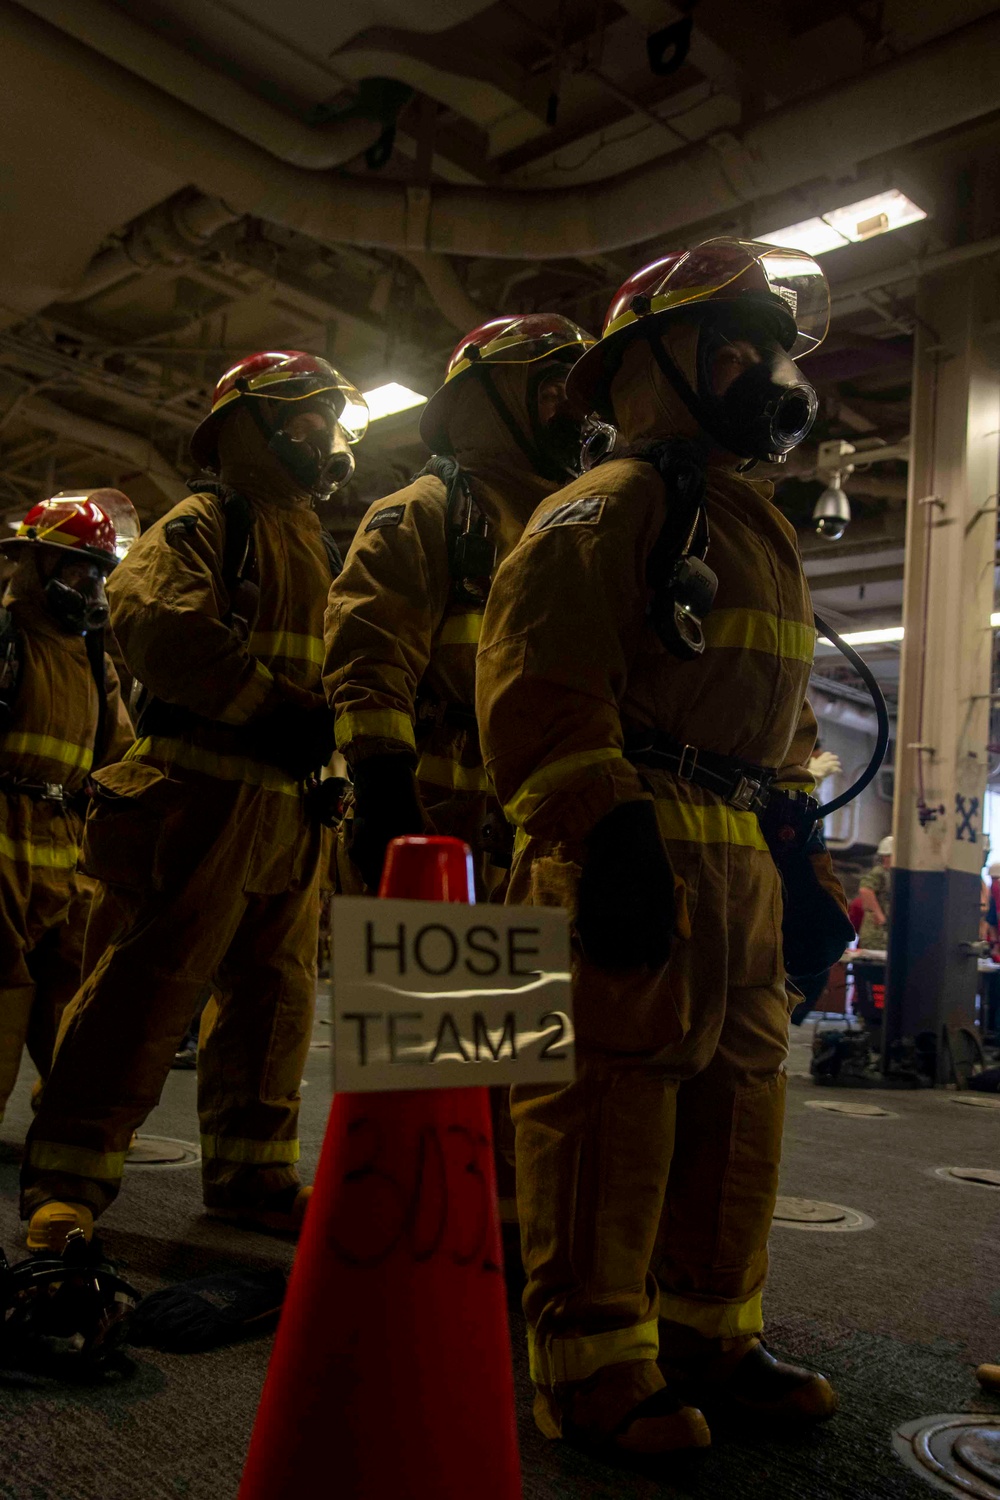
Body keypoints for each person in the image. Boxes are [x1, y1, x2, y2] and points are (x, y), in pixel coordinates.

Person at [477, 239, 850, 1458]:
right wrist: (603, 830)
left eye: (768, 351)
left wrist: (798, 852)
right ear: (651, 367)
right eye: (730, 348)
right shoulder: (602, 503)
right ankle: (585, 1354)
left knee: (738, 1098)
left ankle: (707, 1329)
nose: (761, 374)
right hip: (595, 839)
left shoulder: (744, 523)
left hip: (726, 852)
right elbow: (539, 679)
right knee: (596, 1099)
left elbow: (775, 714)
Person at [21, 350, 366, 1250]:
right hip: (201, 790)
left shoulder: (318, 546)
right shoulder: (212, 518)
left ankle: (252, 1173)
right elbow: (154, 619)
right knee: (144, 989)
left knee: (276, 1000)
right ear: (245, 429)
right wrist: (267, 707)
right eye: (301, 421)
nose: (320, 441)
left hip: (290, 810)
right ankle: (68, 1180)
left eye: (327, 424)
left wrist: (328, 769)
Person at [323, 313, 594, 897]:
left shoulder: (573, 527)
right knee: (426, 995)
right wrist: (383, 790)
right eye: (550, 393)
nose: (572, 415)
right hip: (432, 825)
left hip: (543, 837)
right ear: (488, 402)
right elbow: (368, 654)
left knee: (531, 993)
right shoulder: (427, 509)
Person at [0, 493, 134, 1128]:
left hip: (69, 858)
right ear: (35, 565)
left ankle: (73, 1127)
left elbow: (123, 758)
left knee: (74, 995)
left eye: (100, 573)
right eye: (78, 569)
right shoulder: (5, 641)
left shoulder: (93, 662)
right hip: (1, 849)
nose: (92, 586)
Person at [857, 835, 892, 949]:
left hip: (883, 934)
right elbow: (865, 890)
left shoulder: (889, 874)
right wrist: (879, 915)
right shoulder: (879, 873)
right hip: (877, 935)